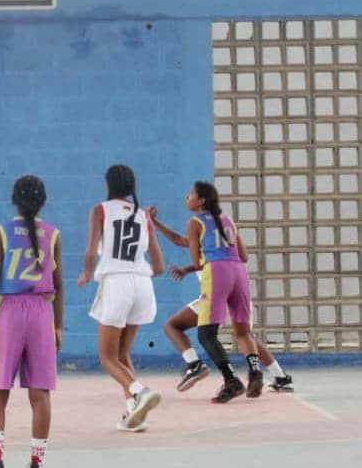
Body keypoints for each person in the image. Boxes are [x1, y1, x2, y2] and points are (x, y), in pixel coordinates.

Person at [148, 204, 294, 393]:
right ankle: (281, 377)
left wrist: (154, 223)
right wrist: (157, 224)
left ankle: (196, 365)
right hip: (237, 288)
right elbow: (241, 257)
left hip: (216, 293)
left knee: (174, 326)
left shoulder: (202, 234)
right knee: (247, 336)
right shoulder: (225, 235)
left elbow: (181, 242)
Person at [0, 175, 63, 468]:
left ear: (14, 199)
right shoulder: (53, 234)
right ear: (43, 201)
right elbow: (59, 285)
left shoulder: (2, 231)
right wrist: (58, 326)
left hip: (9, 311)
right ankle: (37, 460)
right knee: (40, 392)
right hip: (41, 312)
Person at [77, 165, 164, 432]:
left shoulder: (100, 210)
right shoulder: (142, 215)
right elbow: (159, 266)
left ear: (108, 184)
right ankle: (134, 413)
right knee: (122, 353)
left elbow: (91, 250)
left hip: (117, 282)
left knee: (106, 357)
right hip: (143, 283)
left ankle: (140, 391)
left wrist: (87, 272)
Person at [166, 181, 264, 403]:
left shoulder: (194, 222)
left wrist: (188, 268)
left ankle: (231, 381)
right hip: (239, 273)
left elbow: (198, 262)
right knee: (243, 331)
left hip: (217, 274)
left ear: (200, 201)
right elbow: (244, 256)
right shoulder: (228, 220)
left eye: (190, 194)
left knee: (206, 334)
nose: (186, 197)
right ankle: (255, 373)